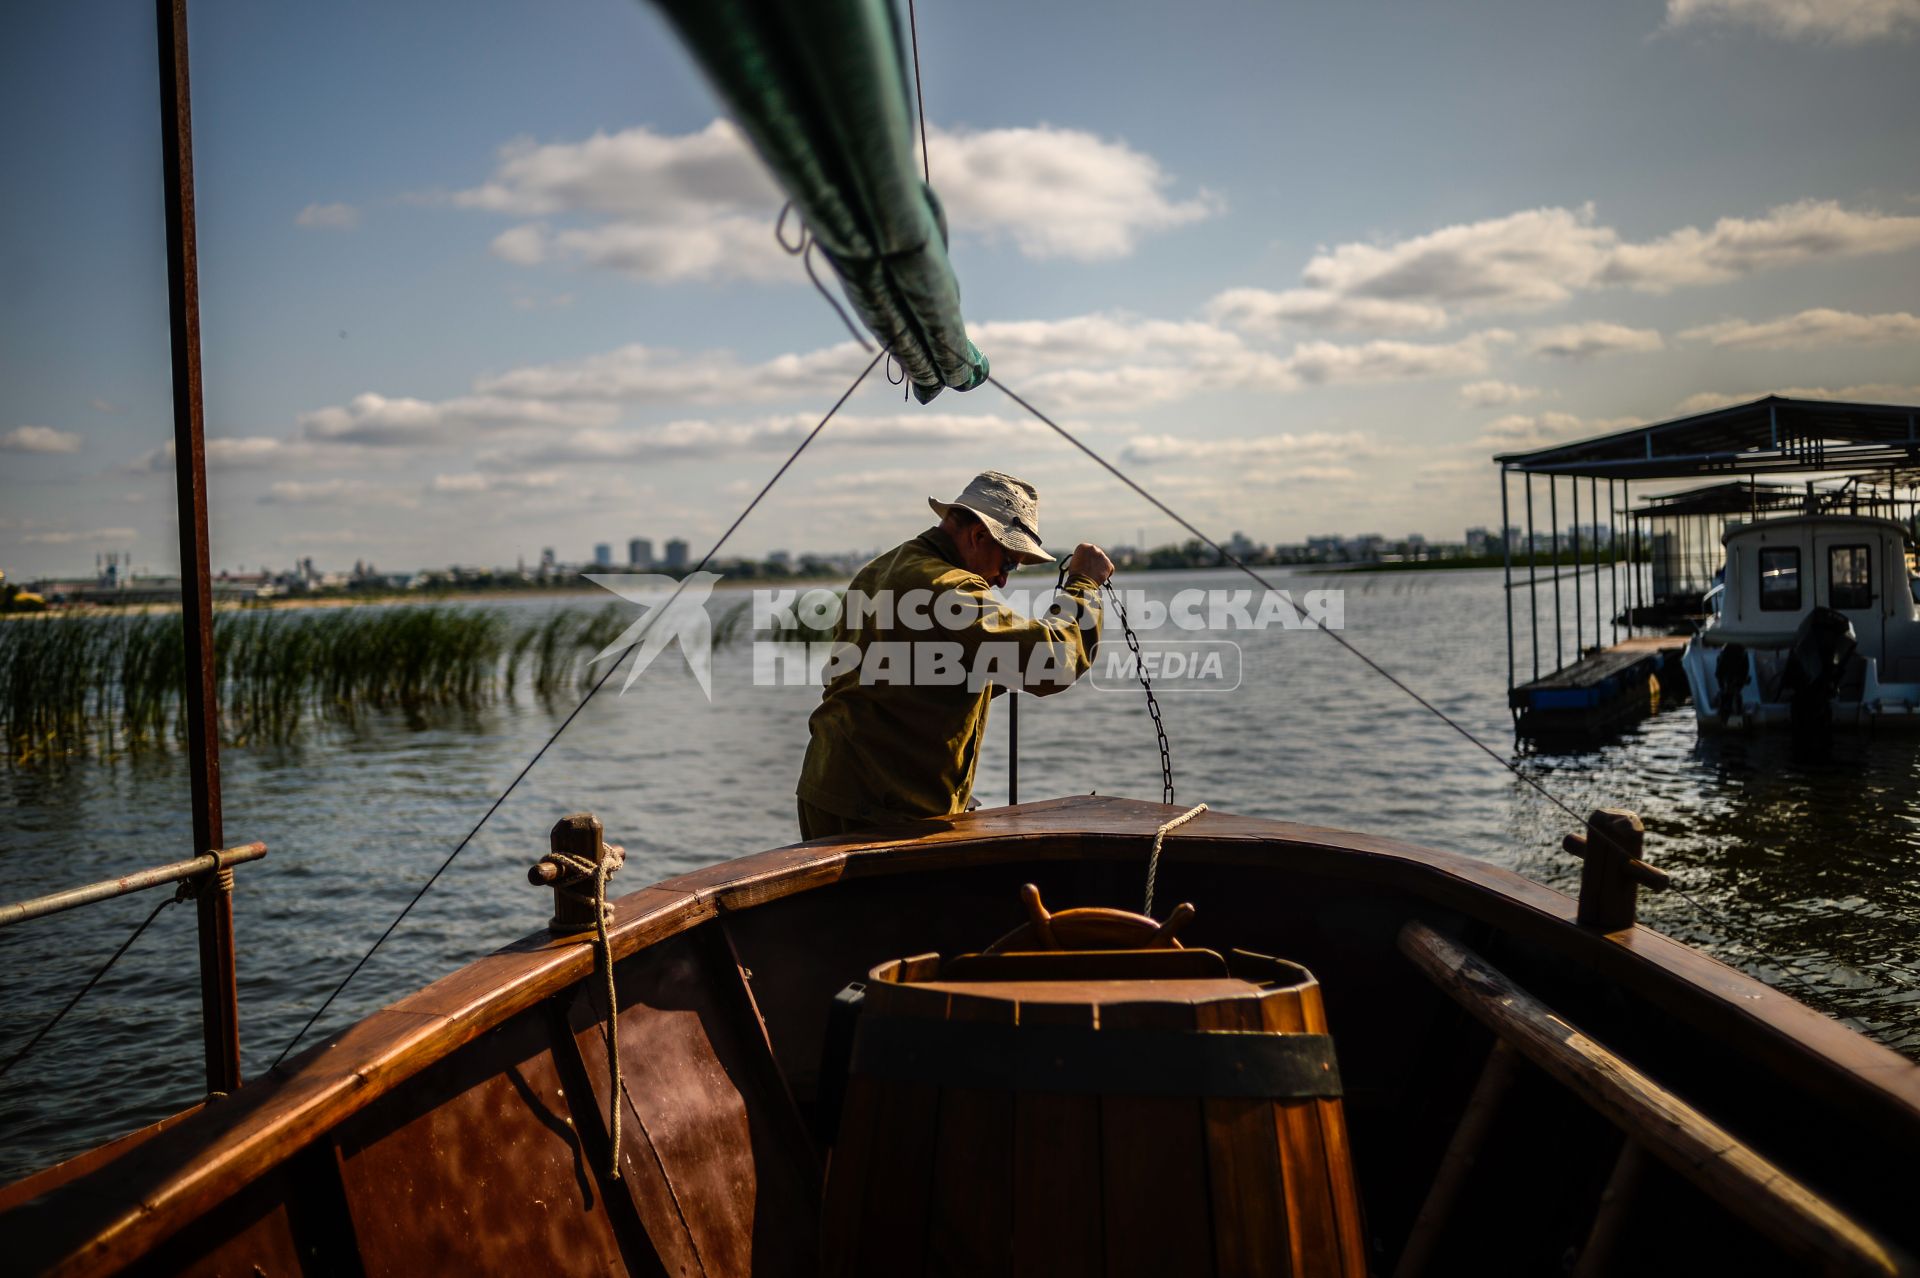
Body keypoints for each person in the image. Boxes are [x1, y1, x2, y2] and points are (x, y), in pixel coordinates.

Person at [796, 470, 1114, 839]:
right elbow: (1051, 663)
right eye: (1008, 562)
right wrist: (1084, 585)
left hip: (831, 788)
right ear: (979, 535)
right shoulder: (949, 586)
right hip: (882, 805)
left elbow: (917, 672)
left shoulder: (880, 570)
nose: (1003, 580)